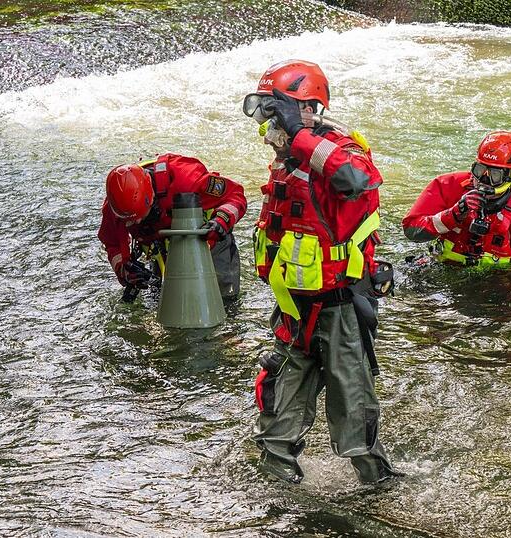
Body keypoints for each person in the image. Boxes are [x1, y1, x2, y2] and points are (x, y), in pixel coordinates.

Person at [244, 60, 399, 484]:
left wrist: (300, 135)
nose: (268, 124)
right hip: (293, 310)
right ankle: (276, 488)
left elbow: (357, 179)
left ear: (308, 109)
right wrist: (292, 139)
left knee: (354, 408)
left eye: (278, 112)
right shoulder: (286, 158)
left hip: (340, 308)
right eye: (268, 113)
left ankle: (378, 486)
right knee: (278, 401)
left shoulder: (340, 150)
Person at [97, 153, 247, 301]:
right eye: (129, 221)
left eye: (139, 217)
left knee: (223, 299)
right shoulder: (115, 205)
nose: (135, 223)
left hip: (209, 240)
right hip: (159, 248)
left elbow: (235, 195)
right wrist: (125, 271)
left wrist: (221, 220)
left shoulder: (186, 180)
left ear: (152, 196)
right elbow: (112, 243)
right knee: (164, 301)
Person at [402, 131, 511, 277]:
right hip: (441, 271)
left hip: (495, 286)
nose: (483, 180)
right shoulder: (446, 186)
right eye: (479, 170)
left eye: (495, 175)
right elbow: (411, 231)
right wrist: (452, 216)